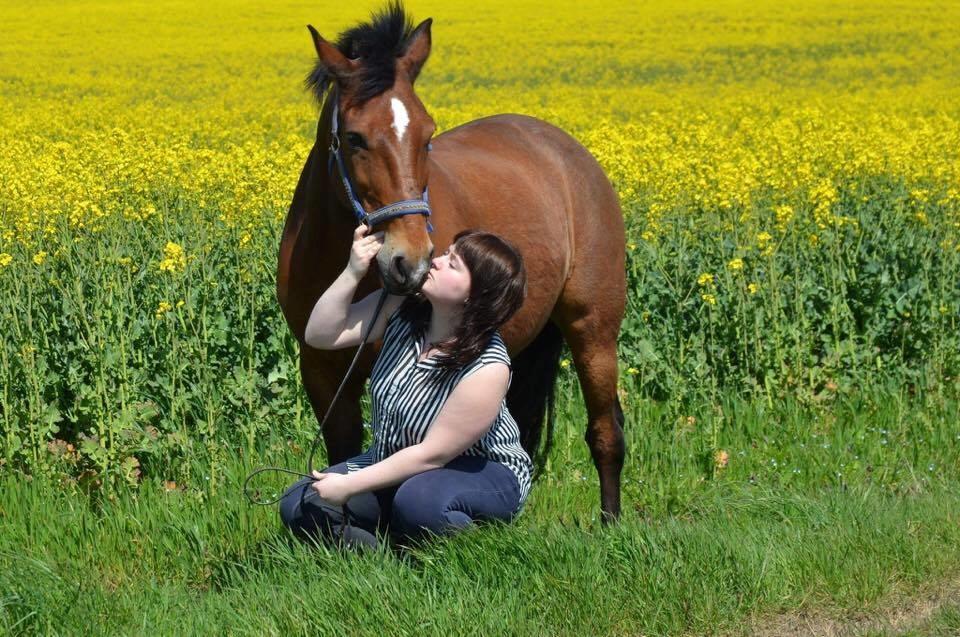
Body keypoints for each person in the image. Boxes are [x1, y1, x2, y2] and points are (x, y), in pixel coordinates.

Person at [279, 223, 533, 550]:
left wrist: (349, 485)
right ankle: (385, 556)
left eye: (453, 264)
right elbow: (320, 334)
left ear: (476, 295)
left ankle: (477, 550)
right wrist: (353, 271)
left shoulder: (488, 367)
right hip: (396, 461)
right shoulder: (400, 307)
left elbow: (431, 456)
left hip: (481, 472)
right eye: (445, 253)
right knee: (299, 504)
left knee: (418, 503)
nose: (436, 261)